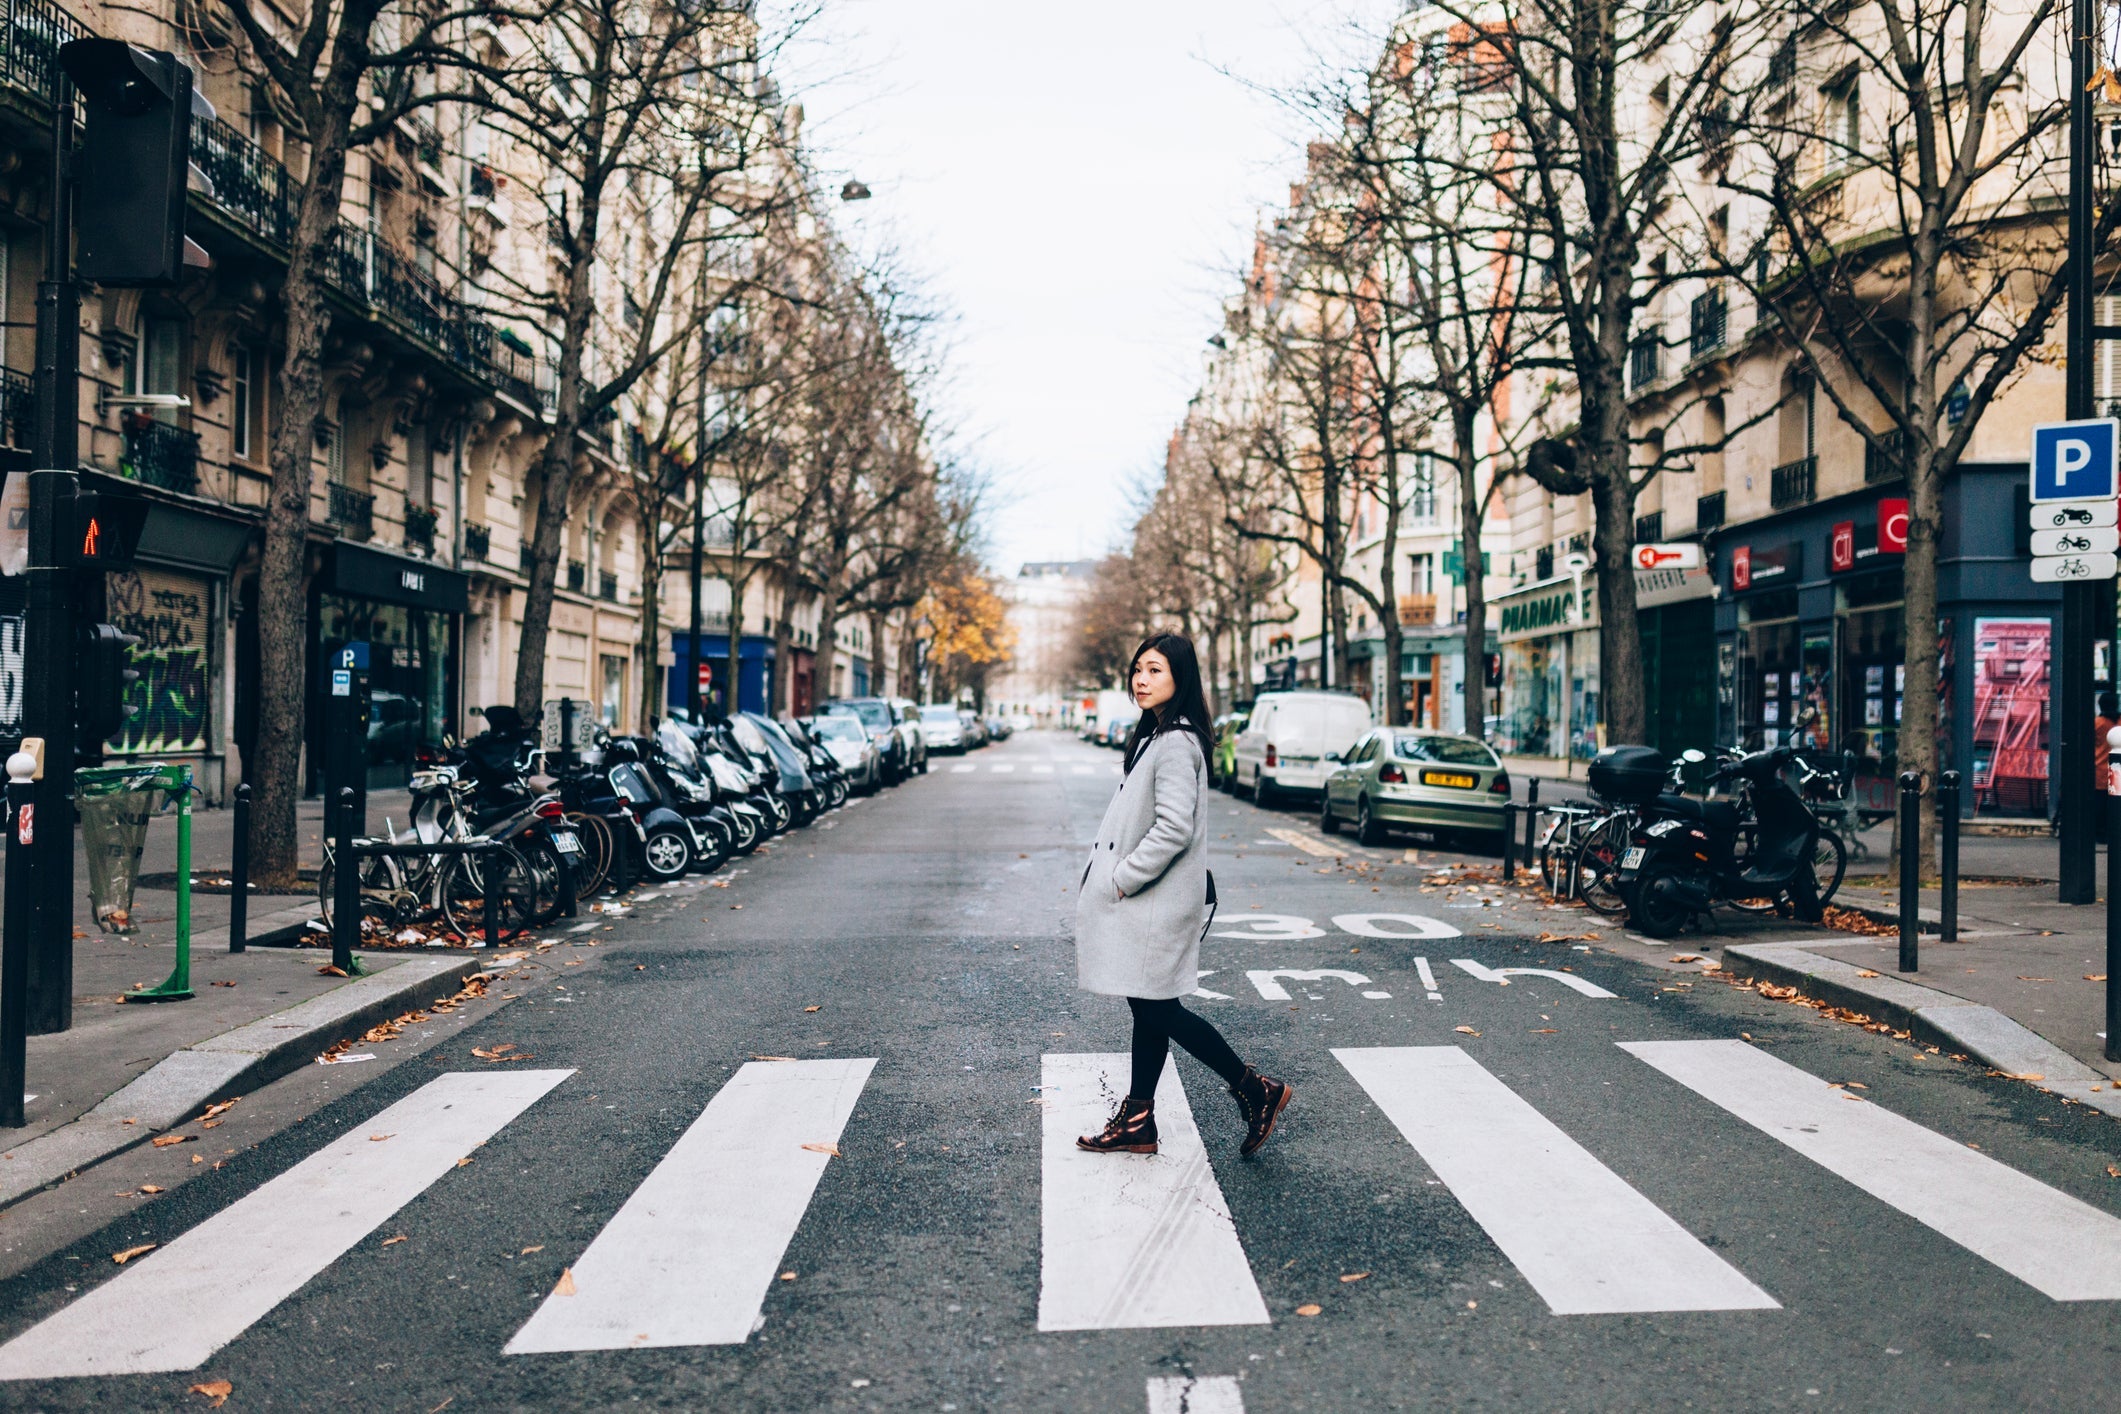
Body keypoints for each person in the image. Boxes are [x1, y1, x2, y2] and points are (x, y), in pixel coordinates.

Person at [1072, 632, 1292, 1157]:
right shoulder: (1159, 734)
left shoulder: (1174, 742)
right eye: (1138, 670)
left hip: (1155, 901)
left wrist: (1122, 877)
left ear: (1180, 679)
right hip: (1154, 901)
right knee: (1150, 1007)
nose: (1141, 680)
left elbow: (1173, 828)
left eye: (1155, 671)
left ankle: (1255, 1089)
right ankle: (1140, 1120)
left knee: (1159, 1010)